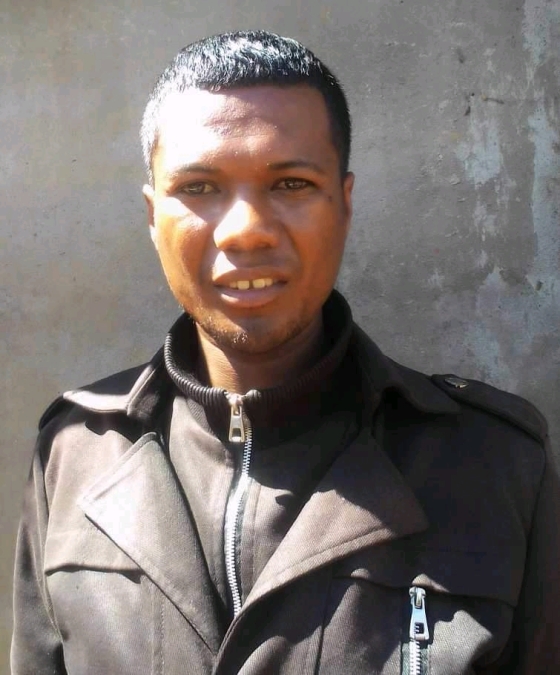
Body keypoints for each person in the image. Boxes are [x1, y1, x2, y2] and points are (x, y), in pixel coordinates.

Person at [10, 30, 559, 675]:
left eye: (292, 183)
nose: (247, 231)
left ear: (344, 204)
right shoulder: (74, 455)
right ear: (153, 216)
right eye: (199, 187)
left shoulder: (494, 466)